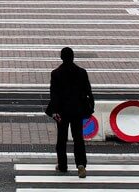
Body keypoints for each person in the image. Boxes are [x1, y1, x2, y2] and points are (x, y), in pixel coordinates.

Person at [46, 47, 94, 178]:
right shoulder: (82, 72)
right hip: (78, 110)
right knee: (78, 138)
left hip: (62, 112)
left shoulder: (56, 73)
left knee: (61, 139)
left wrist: (55, 111)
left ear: (61, 57)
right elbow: (88, 91)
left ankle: (62, 165)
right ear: (73, 57)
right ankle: (81, 164)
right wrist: (90, 108)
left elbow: (54, 94)